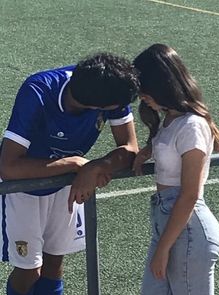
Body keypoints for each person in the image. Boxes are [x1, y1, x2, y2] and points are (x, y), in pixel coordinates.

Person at [0, 53, 139, 295]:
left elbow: (129, 147)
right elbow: (8, 166)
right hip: (22, 188)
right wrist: (74, 164)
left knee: (54, 263)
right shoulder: (39, 91)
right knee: (29, 270)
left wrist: (98, 166)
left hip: (66, 184)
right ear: (97, 107)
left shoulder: (108, 85)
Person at [133, 43, 219, 295]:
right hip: (170, 224)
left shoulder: (192, 125)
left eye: (145, 89)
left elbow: (190, 194)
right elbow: (170, 144)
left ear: (162, 84)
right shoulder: (171, 118)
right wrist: (146, 151)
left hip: (188, 229)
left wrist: (163, 249)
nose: (141, 96)